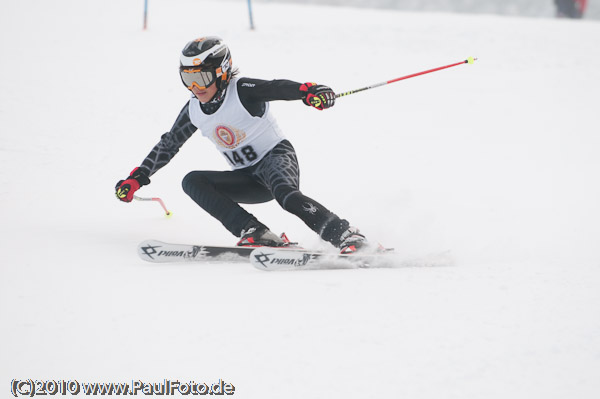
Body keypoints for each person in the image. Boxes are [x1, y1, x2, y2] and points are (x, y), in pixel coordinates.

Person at [116, 36, 368, 254]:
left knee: (287, 196)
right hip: (249, 179)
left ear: (222, 71)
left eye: (202, 77)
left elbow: (276, 87)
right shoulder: (194, 110)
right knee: (192, 181)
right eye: (187, 78)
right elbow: (169, 144)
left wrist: (309, 91)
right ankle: (256, 232)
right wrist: (137, 177)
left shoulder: (242, 90)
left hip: (276, 159)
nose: (195, 87)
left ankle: (346, 234)